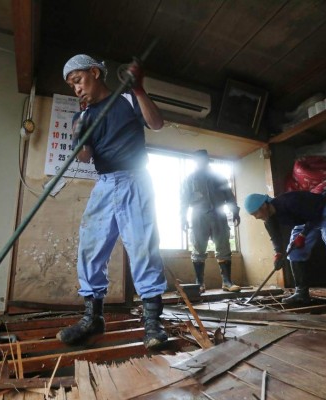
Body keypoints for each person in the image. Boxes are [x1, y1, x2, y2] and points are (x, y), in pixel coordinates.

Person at [56, 54, 168, 349]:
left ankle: (153, 323)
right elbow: (84, 156)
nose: (76, 89)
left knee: (142, 247)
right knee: (90, 248)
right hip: (104, 184)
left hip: (135, 179)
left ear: (95, 72)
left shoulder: (128, 99)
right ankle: (93, 318)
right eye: (71, 86)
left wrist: (140, 88)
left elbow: (156, 124)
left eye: (78, 80)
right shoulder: (82, 116)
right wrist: (78, 135)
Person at [243, 191, 326, 315]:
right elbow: (275, 237)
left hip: (323, 212)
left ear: (264, 206)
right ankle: (301, 293)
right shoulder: (268, 219)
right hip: (305, 221)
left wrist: (303, 235)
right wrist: (278, 254)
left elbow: (315, 215)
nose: (256, 217)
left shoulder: (288, 202)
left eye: (256, 213)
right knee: (294, 253)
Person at [180, 149, 241, 293]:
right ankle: (199, 283)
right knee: (198, 248)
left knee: (223, 246)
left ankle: (227, 282)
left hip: (219, 214)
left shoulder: (219, 178)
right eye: (199, 160)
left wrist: (235, 211)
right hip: (198, 216)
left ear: (208, 161)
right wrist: (182, 217)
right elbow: (183, 201)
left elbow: (229, 196)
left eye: (205, 160)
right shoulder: (189, 179)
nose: (203, 163)